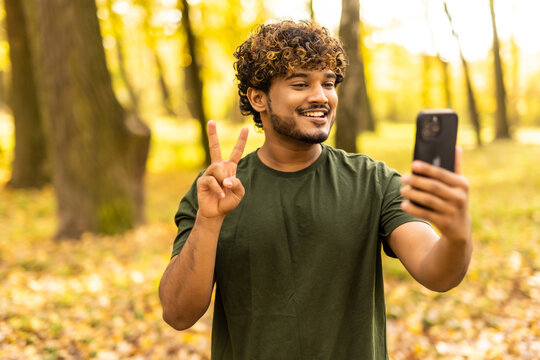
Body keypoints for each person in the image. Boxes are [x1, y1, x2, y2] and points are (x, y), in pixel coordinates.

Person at [159, 20, 472, 359]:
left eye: (329, 82)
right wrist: (208, 220)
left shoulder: (373, 181)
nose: (321, 96)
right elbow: (178, 314)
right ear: (258, 97)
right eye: (300, 83)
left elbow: (436, 273)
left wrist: (457, 235)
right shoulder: (215, 192)